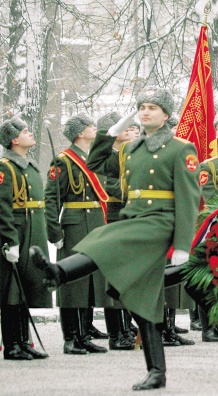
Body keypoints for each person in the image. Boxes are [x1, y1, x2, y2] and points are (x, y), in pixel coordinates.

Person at [32, 86, 201, 390]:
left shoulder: (181, 148)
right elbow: (96, 162)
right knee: (141, 296)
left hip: (160, 221)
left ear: (165, 115)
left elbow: (188, 199)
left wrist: (182, 246)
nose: (145, 111)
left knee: (107, 239)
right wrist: (115, 128)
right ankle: (156, 372)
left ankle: (60, 273)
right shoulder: (131, 148)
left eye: (152, 107)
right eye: (142, 107)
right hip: (134, 220)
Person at [44, 112, 111, 354]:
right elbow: (51, 199)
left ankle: (84, 334)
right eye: (91, 126)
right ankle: (70, 338)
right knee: (73, 285)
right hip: (74, 225)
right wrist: (55, 232)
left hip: (95, 223)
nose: (96, 128)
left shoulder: (92, 157)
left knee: (91, 282)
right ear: (80, 133)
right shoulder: (63, 161)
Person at [0, 117, 52, 360]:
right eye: (25, 131)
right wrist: (10, 240)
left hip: (33, 230)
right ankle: (12, 345)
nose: (30, 134)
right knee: (12, 291)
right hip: (16, 233)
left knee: (26, 289)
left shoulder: (29, 165)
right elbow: (3, 207)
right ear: (13, 140)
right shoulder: (5, 167)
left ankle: (24, 341)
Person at [96, 111, 139, 350]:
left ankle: (126, 327)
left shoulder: (128, 154)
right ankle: (116, 333)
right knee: (115, 275)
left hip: (131, 215)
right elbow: (109, 185)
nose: (130, 129)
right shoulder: (105, 158)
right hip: (114, 215)